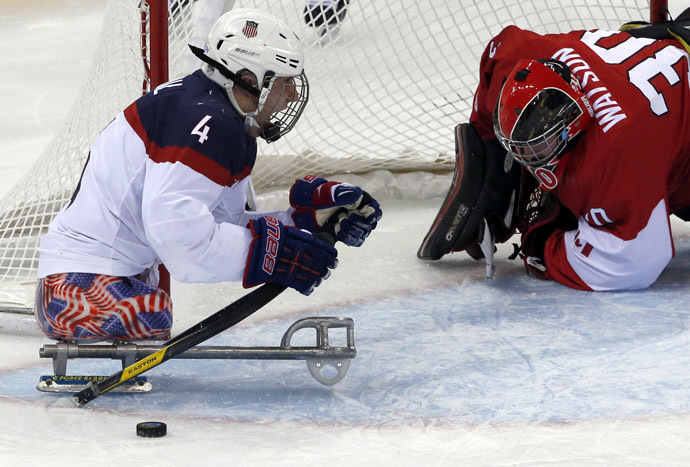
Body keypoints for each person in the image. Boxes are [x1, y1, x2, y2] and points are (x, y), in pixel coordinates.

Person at [34, 8, 382, 341]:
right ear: (248, 79)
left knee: (153, 309)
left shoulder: (218, 115)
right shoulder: (208, 123)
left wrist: (301, 222)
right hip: (74, 289)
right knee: (152, 313)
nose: (291, 94)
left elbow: (216, 221)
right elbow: (180, 239)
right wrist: (273, 255)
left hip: (114, 276)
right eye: (283, 82)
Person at [418, 10, 690, 291]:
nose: (531, 161)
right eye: (521, 151)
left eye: (540, 145)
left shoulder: (617, 157)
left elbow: (635, 263)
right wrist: (486, 135)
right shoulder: (519, 59)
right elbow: (499, 50)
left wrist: (542, 247)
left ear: (574, 119)